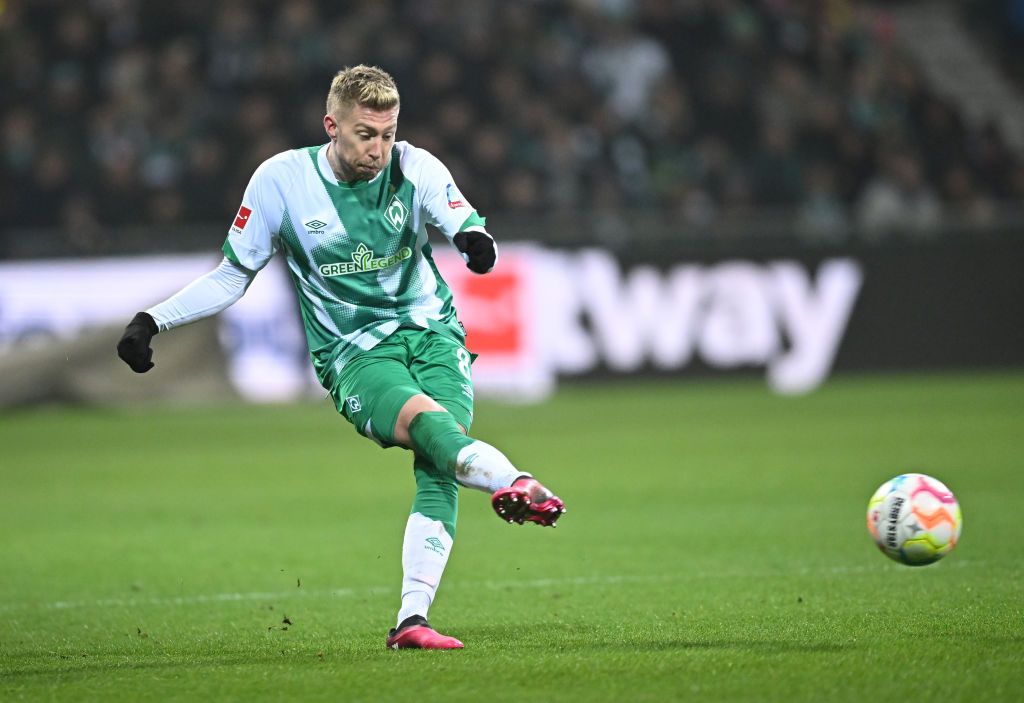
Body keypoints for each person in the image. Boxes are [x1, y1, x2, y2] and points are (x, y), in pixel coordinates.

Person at [116, 65, 565, 650]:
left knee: (439, 461)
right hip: (354, 353)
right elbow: (232, 276)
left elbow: (465, 223)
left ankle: (412, 621)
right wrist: (153, 320)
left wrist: (475, 246)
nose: (379, 149)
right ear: (332, 126)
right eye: (364, 135)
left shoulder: (413, 165)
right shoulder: (281, 181)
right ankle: (516, 482)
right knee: (432, 430)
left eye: (387, 133)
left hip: (434, 334)